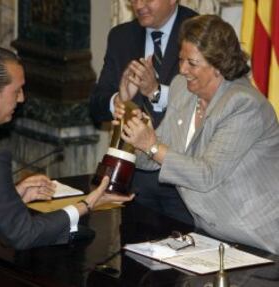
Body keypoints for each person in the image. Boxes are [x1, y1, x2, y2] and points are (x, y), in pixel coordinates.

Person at [0, 45, 133, 286]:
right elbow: (22, 234)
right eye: (17, 90)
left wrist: (13, 195)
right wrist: (85, 205)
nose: (22, 99)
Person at [117, 15, 279, 254]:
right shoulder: (183, 90)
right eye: (181, 60)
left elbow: (206, 174)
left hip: (257, 239)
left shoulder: (244, 104)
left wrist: (152, 146)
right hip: (209, 234)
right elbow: (153, 160)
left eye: (192, 63)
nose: (182, 70)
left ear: (218, 65)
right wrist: (137, 135)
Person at [90, 0, 197, 225]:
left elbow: (208, 100)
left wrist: (156, 92)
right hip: (133, 178)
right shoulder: (121, 36)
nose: (139, 5)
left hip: (182, 181)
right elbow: (96, 107)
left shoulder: (198, 31)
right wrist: (119, 101)